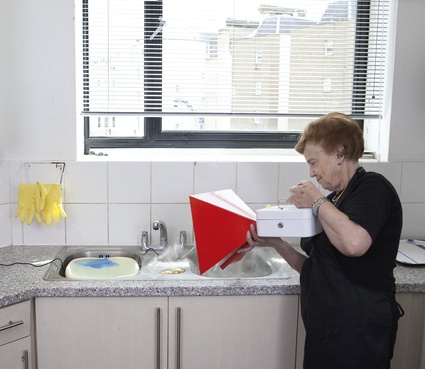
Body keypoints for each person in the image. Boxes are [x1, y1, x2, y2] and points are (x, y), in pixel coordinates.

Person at [244, 112, 403, 369]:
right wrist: (277, 243)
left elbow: (354, 244)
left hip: (360, 332)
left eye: (314, 162)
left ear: (340, 152)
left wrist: (315, 200)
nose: (312, 173)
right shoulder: (332, 202)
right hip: (328, 332)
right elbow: (315, 268)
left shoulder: (373, 187)